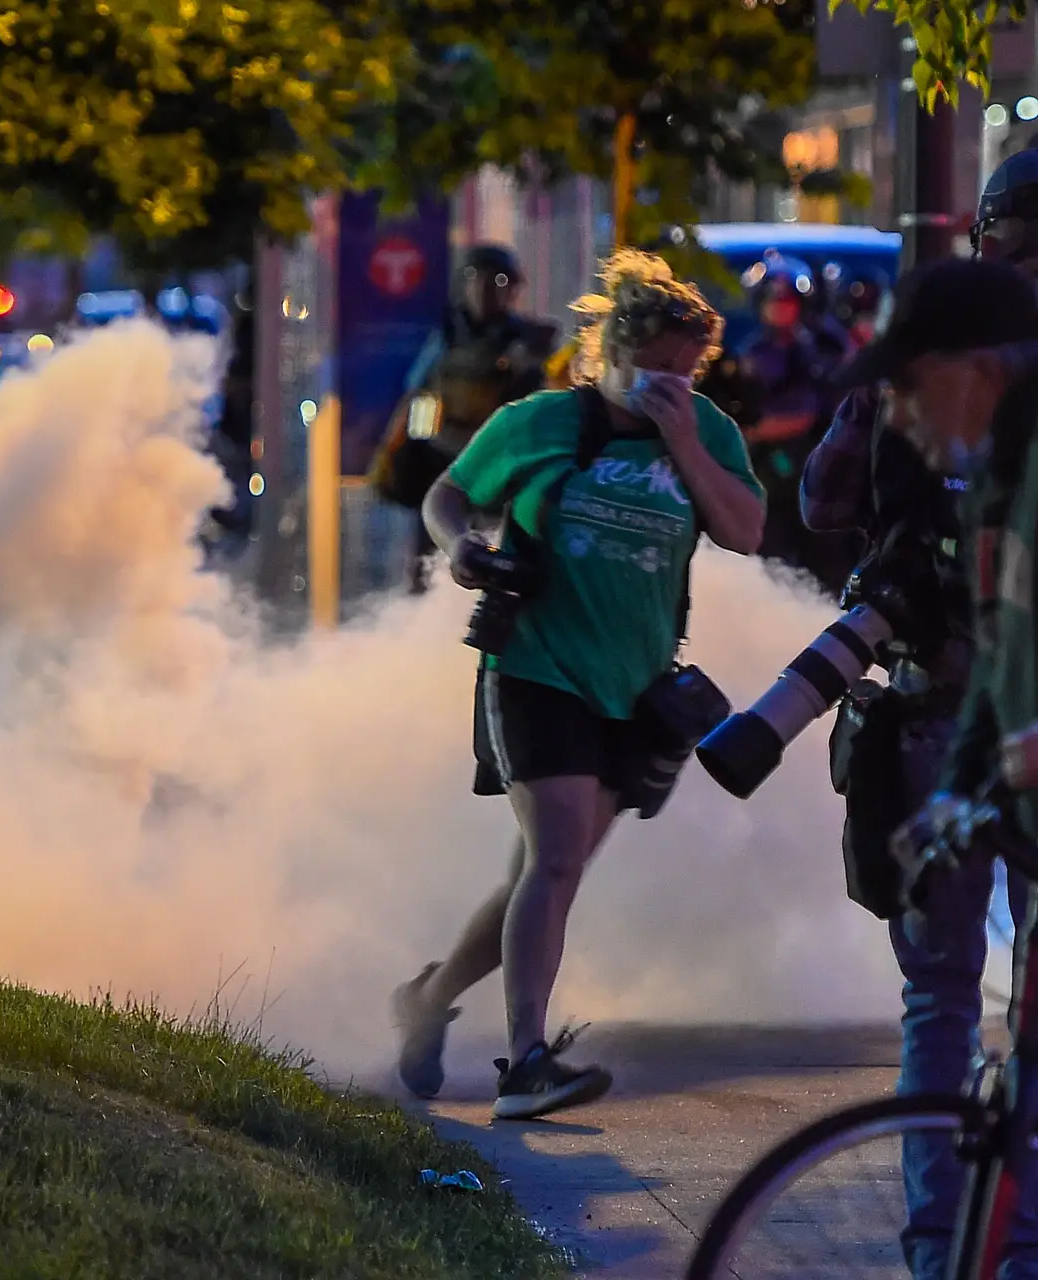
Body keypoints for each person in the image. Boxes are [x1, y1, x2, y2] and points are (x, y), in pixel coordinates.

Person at [392, 248, 765, 1119]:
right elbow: (447, 494)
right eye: (656, 368)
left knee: (543, 872)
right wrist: (461, 550)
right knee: (555, 857)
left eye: (687, 370)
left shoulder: (706, 431)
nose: (672, 383)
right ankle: (524, 1063)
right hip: (535, 665)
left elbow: (745, 530)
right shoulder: (540, 423)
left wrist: (681, 438)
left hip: (635, 687)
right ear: (612, 352)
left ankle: (428, 997)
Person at [838, 256, 1038, 1280]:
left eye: (913, 382)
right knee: (962, 1008)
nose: (899, 408)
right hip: (954, 735)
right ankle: (973, 1252)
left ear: (978, 368)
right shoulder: (997, 469)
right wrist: (965, 783)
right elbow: (1003, 656)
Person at [366, 244, 560, 594]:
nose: (487, 289)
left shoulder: (523, 342)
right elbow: (420, 399)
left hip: (497, 474)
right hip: (443, 467)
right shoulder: (445, 339)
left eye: (499, 281)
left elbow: (538, 407)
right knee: (429, 562)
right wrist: (415, 443)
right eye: (478, 278)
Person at [738, 264, 840, 577]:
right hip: (767, 473)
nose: (781, 309)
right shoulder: (750, 354)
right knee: (768, 561)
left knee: (825, 566)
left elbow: (813, 412)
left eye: (788, 303)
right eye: (774, 302)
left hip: (815, 469)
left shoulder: (820, 351)